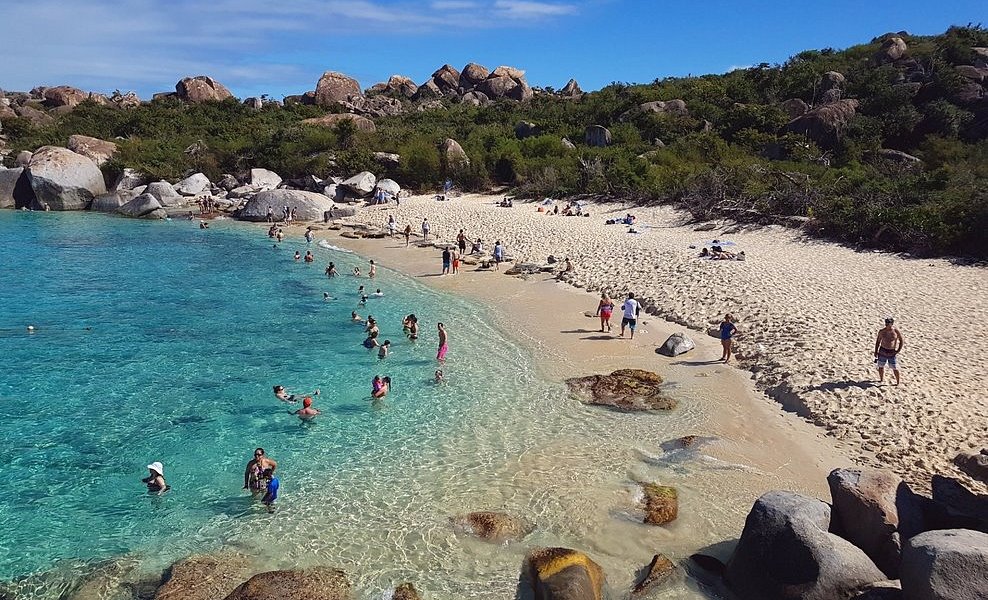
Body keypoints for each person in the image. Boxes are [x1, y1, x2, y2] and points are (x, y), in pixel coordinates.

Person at [874, 317, 904, 385]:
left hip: (892, 352)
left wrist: (898, 350)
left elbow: (901, 340)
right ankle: (881, 379)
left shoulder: (896, 331)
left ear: (892, 323)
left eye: (889, 323)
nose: (887, 324)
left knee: (894, 367)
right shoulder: (882, 331)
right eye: (886, 323)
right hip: (882, 350)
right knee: (881, 366)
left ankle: (898, 382)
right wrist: (876, 351)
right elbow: (878, 341)